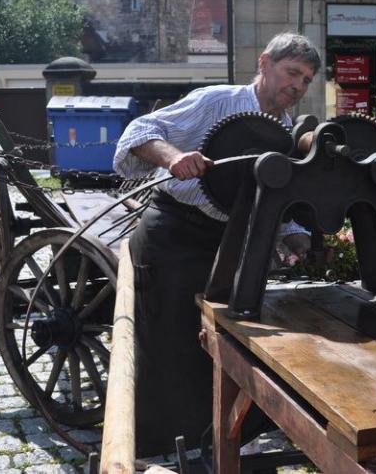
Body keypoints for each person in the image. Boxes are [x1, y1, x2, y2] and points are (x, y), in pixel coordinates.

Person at [113, 32, 321, 455]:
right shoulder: (217, 101)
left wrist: (291, 232)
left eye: (306, 80)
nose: (298, 86)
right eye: (292, 72)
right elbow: (141, 129)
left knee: (224, 344)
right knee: (169, 344)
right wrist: (173, 157)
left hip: (228, 246)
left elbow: (267, 193)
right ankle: (162, 447)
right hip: (174, 236)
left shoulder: (285, 133)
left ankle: (221, 440)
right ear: (264, 64)